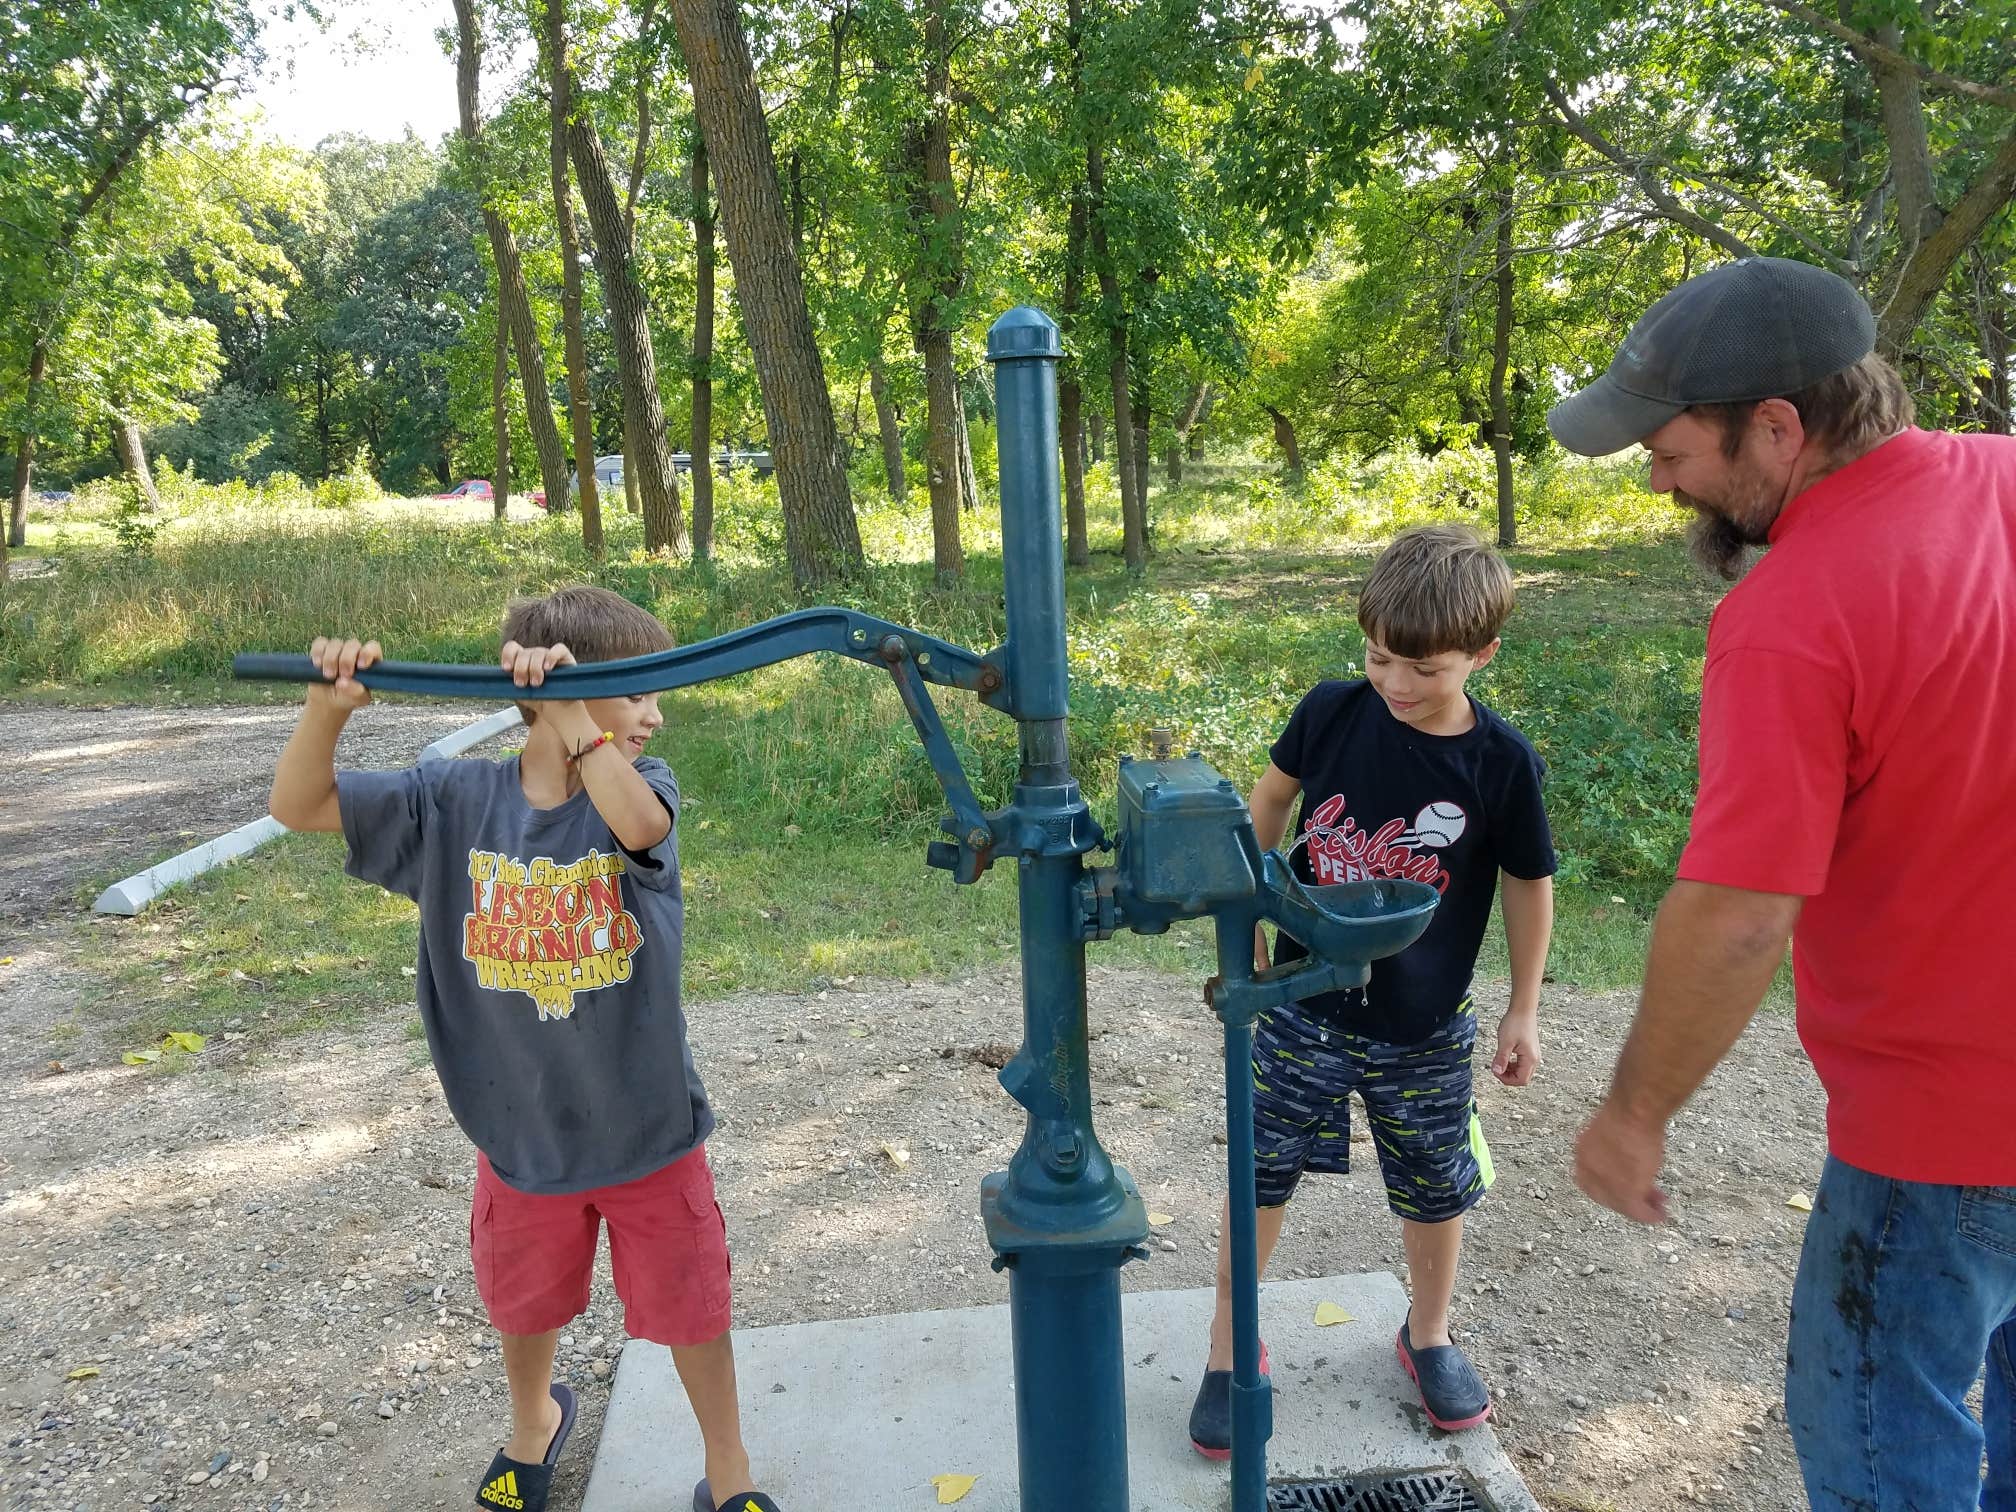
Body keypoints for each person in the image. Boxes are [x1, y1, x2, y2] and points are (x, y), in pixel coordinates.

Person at [1555, 255, 2016, 1512]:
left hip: (1948, 1132)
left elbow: (1742, 913)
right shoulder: (2005, 478)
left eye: (1668, 448)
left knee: (1879, 1435)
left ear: (1778, 427)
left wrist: (1633, 1113)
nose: (1657, 479)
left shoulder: (1793, 615)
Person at [267, 585, 782, 1512]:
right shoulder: (450, 800)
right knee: (526, 1303)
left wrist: (582, 721)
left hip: (647, 1130)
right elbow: (299, 804)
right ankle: (534, 1422)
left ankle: (730, 1469)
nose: (655, 713)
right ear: (562, 695)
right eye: (640, 692)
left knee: (691, 1309)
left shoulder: (642, 784)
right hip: (520, 1132)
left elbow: (641, 829)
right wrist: (325, 707)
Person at [1188, 525, 1558, 1456]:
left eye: (1424, 669)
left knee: (1435, 1185)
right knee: (1259, 1169)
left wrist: (1524, 1005)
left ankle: (1426, 1334)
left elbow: (1527, 882)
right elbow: (1270, 801)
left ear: (1482, 654)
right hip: (1299, 1002)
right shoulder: (1332, 711)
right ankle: (1232, 1348)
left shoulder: (1501, 765)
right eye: (1380, 657)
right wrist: (1252, 901)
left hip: (1423, 1023)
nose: (1396, 683)